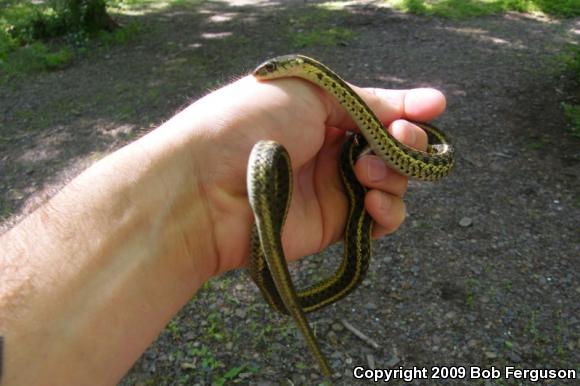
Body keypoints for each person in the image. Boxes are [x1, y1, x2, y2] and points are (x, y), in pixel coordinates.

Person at [0, 71, 445, 385]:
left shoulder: (335, 102)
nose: (267, 75)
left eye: (275, 72)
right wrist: (195, 189)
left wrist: (192, 200)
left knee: (369, 171)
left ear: (304, 73)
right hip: (264, 178)